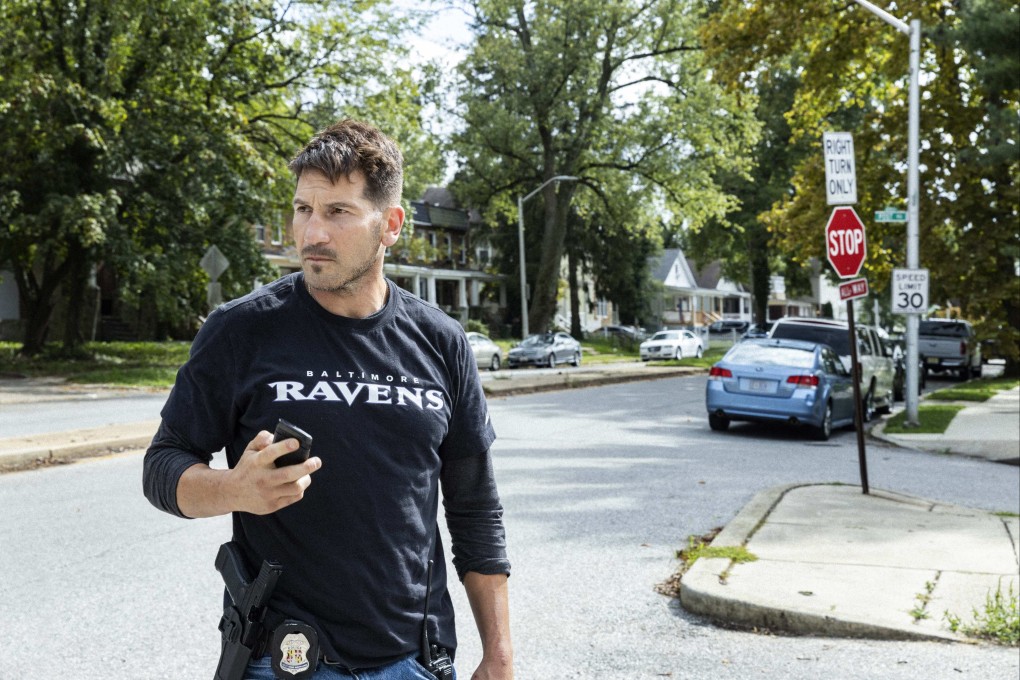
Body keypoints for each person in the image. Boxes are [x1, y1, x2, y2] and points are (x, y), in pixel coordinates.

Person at [143, 119, 513, 680]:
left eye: (337, 212)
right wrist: (232, 489)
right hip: (284, 657)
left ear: (389, 225)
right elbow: (162, 464)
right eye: (302, 210)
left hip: (414, 659)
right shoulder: (241, 331)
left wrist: (500, 653)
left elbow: (475, 507)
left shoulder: (440, 341)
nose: (312, 232)